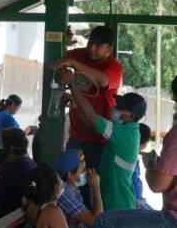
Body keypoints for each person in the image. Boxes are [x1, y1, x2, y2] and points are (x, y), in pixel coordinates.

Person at [93, 75, 177, 228]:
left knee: (103, 221)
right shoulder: (130, 132)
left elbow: (158, 185)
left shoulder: (126, 134)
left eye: (119, 108)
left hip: (172, 219)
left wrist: (150, 164)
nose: (114, 110)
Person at [61, 70, 147, 210]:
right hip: (117, 200)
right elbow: (91, 124)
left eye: (120, 108)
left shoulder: (123, 134)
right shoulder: (127, 130)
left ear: (131, 116)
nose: (115, 107)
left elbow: (93, 119)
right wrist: (77, 107)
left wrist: (72, 85)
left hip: (117, 205)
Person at [50, 26, 123, 170]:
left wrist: (74, 64)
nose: (92, 48)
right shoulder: (79, 55)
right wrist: (63, 43)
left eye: (98, 45)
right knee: (69, 181)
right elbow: (58, 58)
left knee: (91, 183)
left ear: (109, 49)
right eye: (90, 43)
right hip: (76, 134)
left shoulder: (115, 67)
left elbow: (102, 81)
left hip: (98, 139)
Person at [0, 128, 37, 220]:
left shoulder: (12, 169)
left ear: (11, 149)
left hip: (10, 221)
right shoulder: (30, 162)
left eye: (3, 146)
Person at [55, 149, 103, 228]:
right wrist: (96, 187)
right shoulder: (64, 194)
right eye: (83, 170)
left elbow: (93, 214)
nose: (87, 173)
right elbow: (99, 222)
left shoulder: (74, 188)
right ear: (70, 175)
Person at [132, 123, 153, 210]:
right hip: (133, 201)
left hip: (137, 199)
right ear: (145, 143)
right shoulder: (132, 159)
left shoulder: (132, 155)